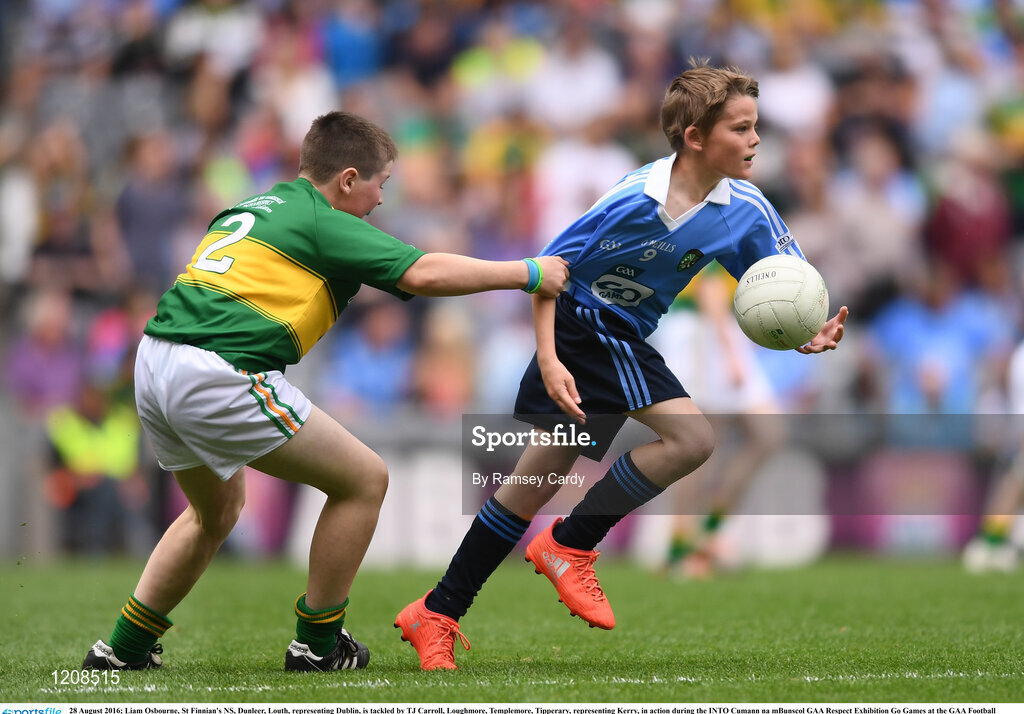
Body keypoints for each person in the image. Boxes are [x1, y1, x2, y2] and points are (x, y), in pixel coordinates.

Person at [394, 61, 848, 670]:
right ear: (695, 137)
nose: (755, 139)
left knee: (527, 490)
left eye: (755, 126)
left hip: (622, 334)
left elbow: (777, 285)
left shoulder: (748, 207)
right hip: (583, 328)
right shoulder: (633, 199)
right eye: (740, 129)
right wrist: (549, 359)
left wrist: (806, 331)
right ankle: (570, 545)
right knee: (691, 439)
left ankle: (436, 612)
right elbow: (547, 272)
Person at [81, 111, 569, 673]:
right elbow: (423, 273)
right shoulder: (322, 218)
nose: (381, 199)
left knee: (214, 512)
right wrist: (529, 273)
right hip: (218, 372)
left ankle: (121, 649)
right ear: (348, 179)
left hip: (155, 361)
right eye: (380, 184)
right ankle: (317, 644)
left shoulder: (252, 206)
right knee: (364, 480)